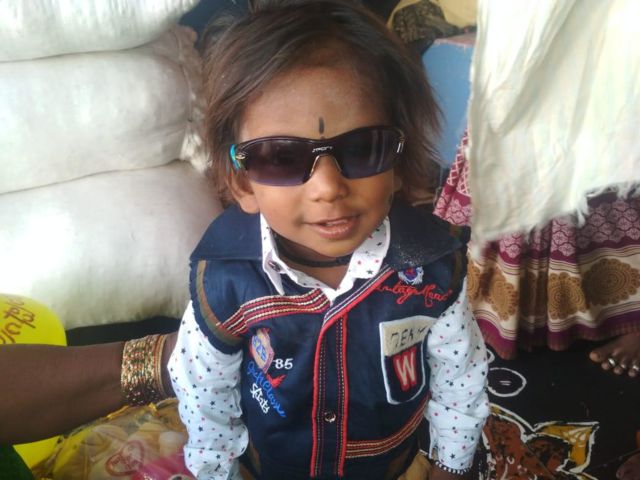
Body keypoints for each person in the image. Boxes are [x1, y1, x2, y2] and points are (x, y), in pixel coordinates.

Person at [168, 2, 489, 480]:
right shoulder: (224, 279)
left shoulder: (434, 268)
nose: (328, 188)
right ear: (241, 183)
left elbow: (460, 379)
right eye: (281, 156)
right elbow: (203, 395)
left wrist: (449, 466)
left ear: (398, 162)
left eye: (361, 148)